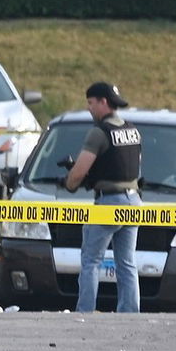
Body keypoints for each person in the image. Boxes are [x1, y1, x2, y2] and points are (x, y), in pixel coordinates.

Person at [62, 82, 143, 313]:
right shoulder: (132, 129)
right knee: (127, 263)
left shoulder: (99, 132)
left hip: (109, 202)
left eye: (90, 102)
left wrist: (69, 183)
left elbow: (79, 170)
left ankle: (85, 311)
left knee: (91, 261)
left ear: (103, 102)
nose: (89, 108)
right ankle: (130, 312)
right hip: (134, 200)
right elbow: (130, 166)